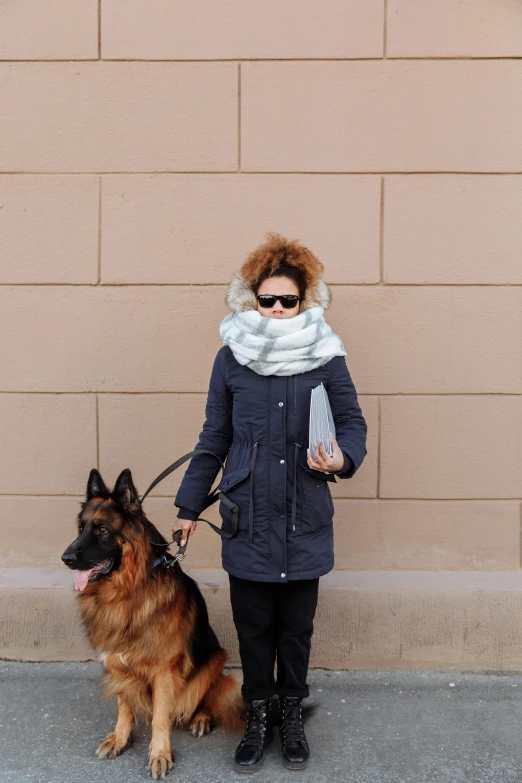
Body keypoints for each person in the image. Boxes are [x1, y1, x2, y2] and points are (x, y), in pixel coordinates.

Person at [173, 232, 367, 773]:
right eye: (268, 300)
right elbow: (213, 439)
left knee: (295, 629)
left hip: (304, 515)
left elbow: (353, 425)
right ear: (250, 300)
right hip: (247, 517)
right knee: (254, 628)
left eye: (289, 300)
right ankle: (258, 717)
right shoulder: (230, 358)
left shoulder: (326, 356)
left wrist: (343, 459)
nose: (278, 310)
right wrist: (189, 510)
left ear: (306, 301)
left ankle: (291, 713)